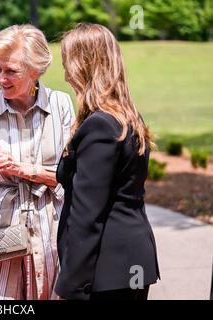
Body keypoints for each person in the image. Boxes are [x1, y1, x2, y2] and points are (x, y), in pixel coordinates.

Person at [0, 24, 75, 300]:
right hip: (0, 227)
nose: (2, 78)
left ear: (35, 70)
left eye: (11, 71)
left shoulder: (61, 104)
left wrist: (26, 170)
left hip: (52, 225)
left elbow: (73, 173)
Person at [54, 23, 160, 300]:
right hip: (130, 264)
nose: (65, 75)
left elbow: (87, 214)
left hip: (106, 271)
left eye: (68, 64)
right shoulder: (128, 119)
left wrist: (71, 285)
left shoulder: (100, 125)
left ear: (84, 66)